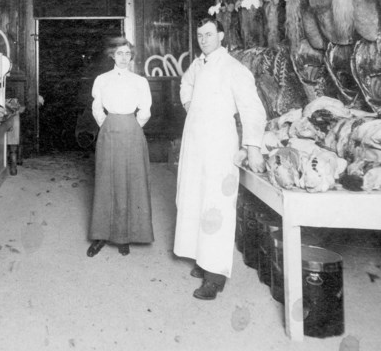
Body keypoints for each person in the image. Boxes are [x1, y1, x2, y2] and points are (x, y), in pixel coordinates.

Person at [174, 16, 267, 299]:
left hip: (219, 145)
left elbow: (253, 109)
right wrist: (191, 105)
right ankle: (202, 260)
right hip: (195, 143)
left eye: (209, 34)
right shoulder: (198, 64)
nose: (203, 39)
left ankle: (215, 277)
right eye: (200, 35)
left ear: (221, 36)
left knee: (216, 205)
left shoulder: (234, 68)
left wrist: (252, 146)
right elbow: (185, 84)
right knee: (193, 198)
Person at [87, 38, 154, 258]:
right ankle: (101, 235)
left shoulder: (139, 81)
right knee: (106, 180)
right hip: (109, 130)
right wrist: (108, 124)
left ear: (131, 56)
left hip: (132, 131)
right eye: (119, 53)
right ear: (112, 56)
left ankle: (125, 236)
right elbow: (97, 107)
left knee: (130, 181)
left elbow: (145, 110)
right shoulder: (102, 79)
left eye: (127, 53)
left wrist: (131, 126)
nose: (124, 57)